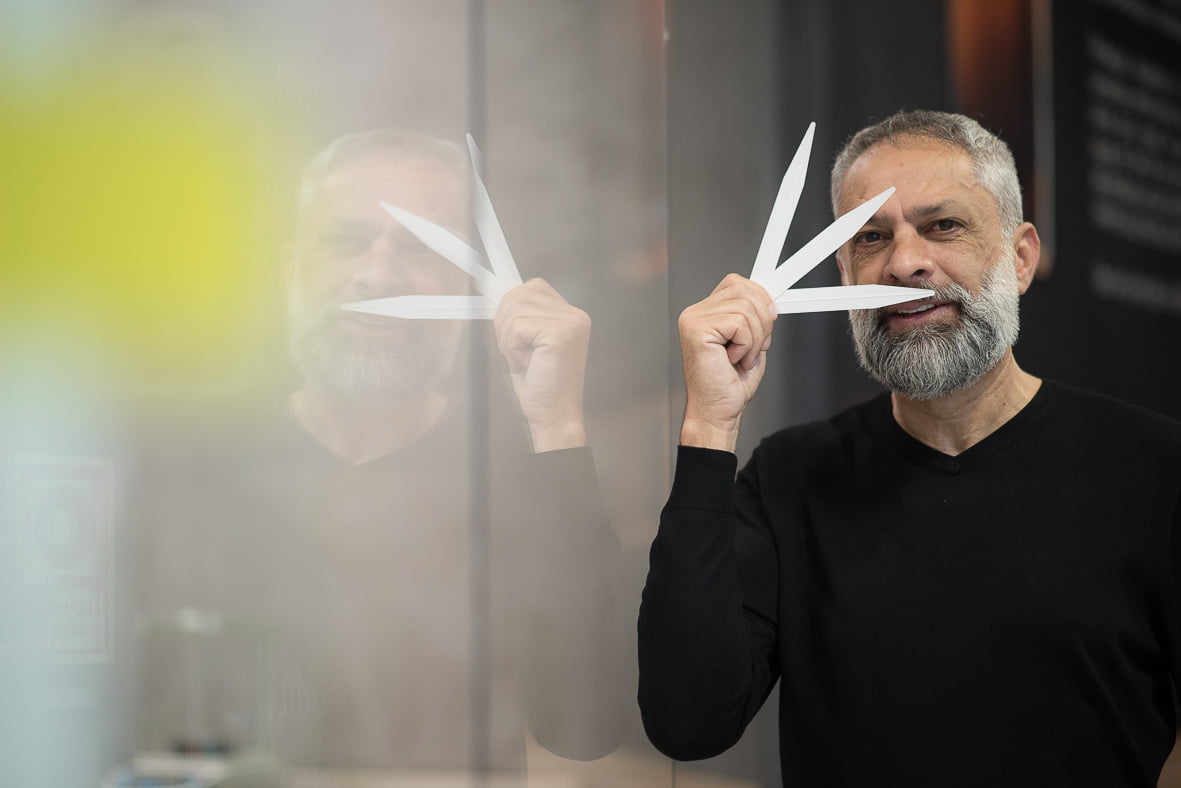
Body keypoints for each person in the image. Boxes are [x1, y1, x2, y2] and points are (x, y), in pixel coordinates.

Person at [637, 110, 1181, 786]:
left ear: (1019, 257)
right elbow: (687, 723)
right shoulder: (790, 479)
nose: (902, 262)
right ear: (843, 273)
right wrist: (710, 427)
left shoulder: (1157, 471)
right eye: (869, 237)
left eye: (942, 226)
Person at [130, 129, 625, 779]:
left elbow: (585, 731)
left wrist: (557, 424)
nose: (376, 272)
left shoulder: (519, 479)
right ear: (288, 268)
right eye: (344, 241)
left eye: (420, 248)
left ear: (469, 286)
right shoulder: (193, 474)